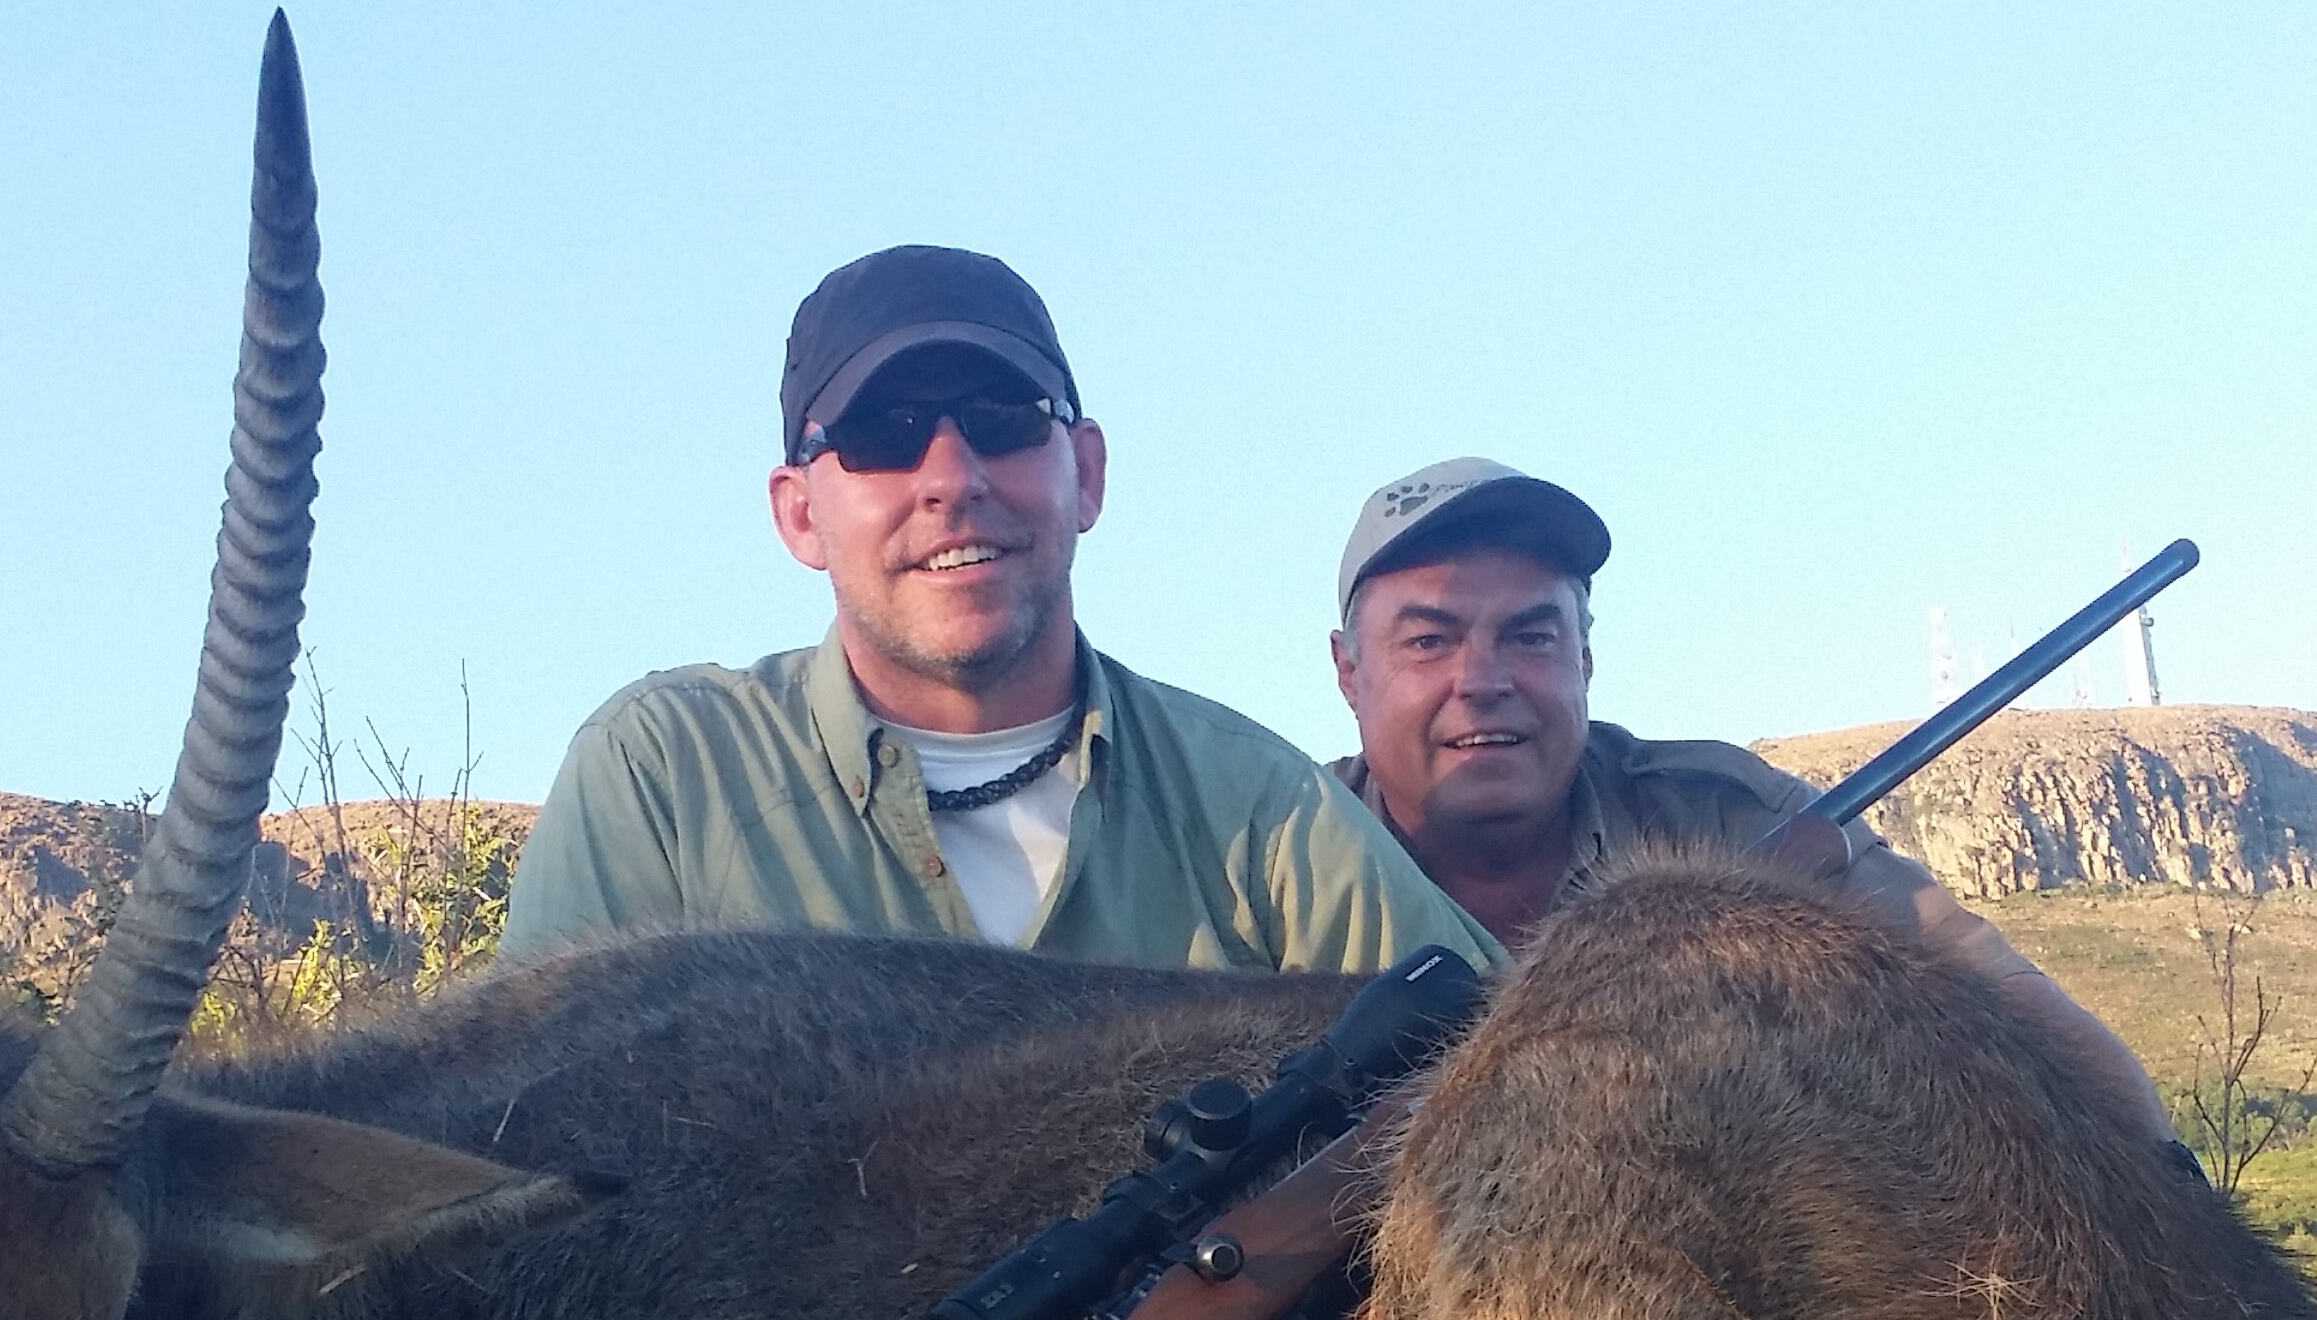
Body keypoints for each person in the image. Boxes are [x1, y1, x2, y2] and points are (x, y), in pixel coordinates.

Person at [502, 248, 1492, 973]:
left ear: (1088, 474)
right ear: (799, 513)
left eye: (1002, 419)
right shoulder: (663, 780)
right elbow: (522, 1176)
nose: (951, 477)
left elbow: (1518, 1063)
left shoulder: (1266, 813)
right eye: (881, 433)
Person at [1320, 456, 2168, 1133]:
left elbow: (2021, 1020)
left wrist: (2168, 1198)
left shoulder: (1726, 815)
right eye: (1430, 640)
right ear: (1348, 671)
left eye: (1531, 635)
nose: (1483, 680)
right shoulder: (1270, 849)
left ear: (1584, 659)